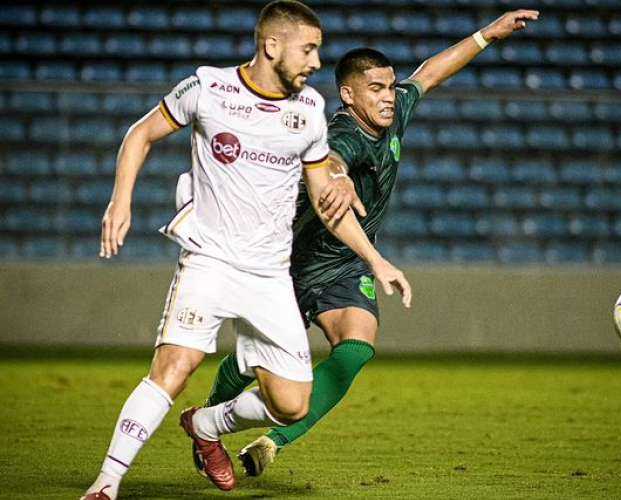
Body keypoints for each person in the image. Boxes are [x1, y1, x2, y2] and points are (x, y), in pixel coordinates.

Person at [192, 7, 540, 483]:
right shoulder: (342, 132)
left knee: (355, 349)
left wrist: (489, 34)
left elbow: (431, 72)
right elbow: (332, 159)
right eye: (375, 89)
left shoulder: (394, 115)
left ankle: (273, 442)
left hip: (344, 265)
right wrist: (336, 178)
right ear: (348, 94)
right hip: (289, 266)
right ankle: (209, 417)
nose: (388, 98)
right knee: (254, 364)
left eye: (389, 86)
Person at [80, 1, 411, 499]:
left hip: (270, 276)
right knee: (175, 367)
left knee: (292, 404)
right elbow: (140, 133)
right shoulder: (207, 88)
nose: (316, 62)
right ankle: (106, 483)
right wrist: (119, 200)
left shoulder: (308, 114)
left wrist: (375, 258)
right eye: (308, 50)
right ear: (271, 46)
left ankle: (207, 425)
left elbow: (327, 202)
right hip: (209, 262)